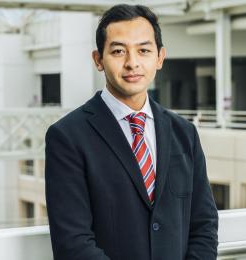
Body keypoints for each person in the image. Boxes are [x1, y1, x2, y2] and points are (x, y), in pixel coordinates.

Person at [45, 4, 218, 260]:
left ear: (159, 58)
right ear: (98, 59)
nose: (132, 63)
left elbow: (204, 225)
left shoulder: (184, 133)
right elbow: (73, 243)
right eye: (118, 51)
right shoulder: (67, 136)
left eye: (144, 50)